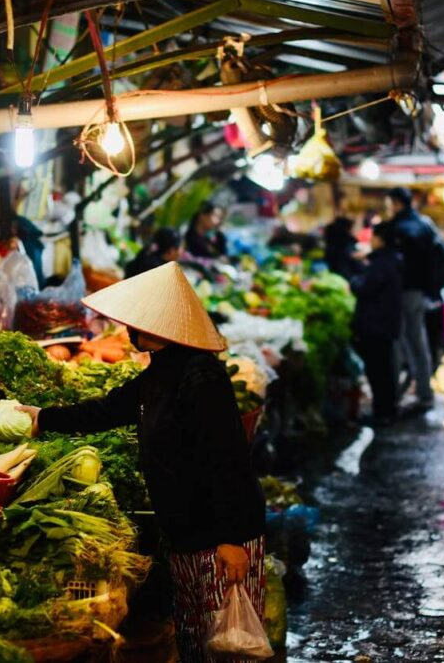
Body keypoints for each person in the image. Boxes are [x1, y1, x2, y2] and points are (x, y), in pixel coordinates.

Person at [17, 263, 265, 662]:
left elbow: (226, 460)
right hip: (185, 533)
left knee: (230, 645)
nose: (129, 329)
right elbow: (107, 410)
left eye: (138, 322)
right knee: (197, 637)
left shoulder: (202, 380)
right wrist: (41, 417)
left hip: (218, 536)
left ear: (161, 326)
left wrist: (231, 539)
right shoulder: (160, 373)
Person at [386, 187, 435, 410]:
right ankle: (424, 389)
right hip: (419, 291)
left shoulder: (398, 227)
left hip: (401, 290)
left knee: (396, 341)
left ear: (396, 203)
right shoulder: (424, 224)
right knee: (417, 339)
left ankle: (393, 393)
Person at [349, 223, 403, 425]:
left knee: (379, 370)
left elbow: (365, 288)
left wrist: (354, 282)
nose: (371, 241)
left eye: (374, 237)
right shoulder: (391, 260)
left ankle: (383, 413)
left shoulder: (382, 263)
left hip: (376, 325)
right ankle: (387, 410)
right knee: (384, 369)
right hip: (385, 324)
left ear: (381, 239)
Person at [324, 210, 363, 280]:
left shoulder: (331, 239)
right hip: (347, 277)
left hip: (334, 275)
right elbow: (355, 264)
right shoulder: (348, 243)